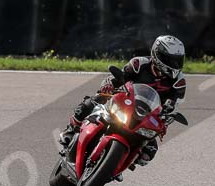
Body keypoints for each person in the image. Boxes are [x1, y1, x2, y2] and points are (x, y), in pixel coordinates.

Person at [59, 35, 186, 170]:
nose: (175, 65)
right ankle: (70, 130)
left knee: (150, 150)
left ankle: (121, 163)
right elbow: (118, 76)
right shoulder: (140, 64)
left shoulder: (178, 82)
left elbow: (174, 104)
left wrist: (169, 115)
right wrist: (109, 84)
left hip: (146, 116)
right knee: (91, 103)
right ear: (157, 54)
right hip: (124, 100)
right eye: (170, 60)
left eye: (178, 60)